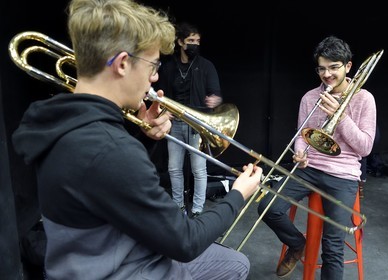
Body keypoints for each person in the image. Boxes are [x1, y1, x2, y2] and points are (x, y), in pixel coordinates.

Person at [11, 0, 263, 279]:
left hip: (85, 257)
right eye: (153, 65)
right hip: (123, 268)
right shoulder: (111, 149)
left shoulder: (57, 123)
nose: (154, 77)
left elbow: (107, 184)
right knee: (236, 264)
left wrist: (142, 137)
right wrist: (238, 194)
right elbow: (186, 242)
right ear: (121, 64)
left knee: (230, 261)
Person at [258, 35, 377, 279]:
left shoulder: (364, 98)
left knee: (332, 247)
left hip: (343, 174)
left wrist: (341, 117)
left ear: (348, 66)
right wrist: (300, 150)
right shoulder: (310, 97)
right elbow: (302, 134)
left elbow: (365, 148)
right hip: (310, 167)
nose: (327, 75)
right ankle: (297, 244)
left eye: (334, 68)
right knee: (268, 207)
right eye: (322, 68)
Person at [155, 22, 223, 217]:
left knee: (198, 170)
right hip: (174, 123)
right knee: (174, 168)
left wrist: (215, 100)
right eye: (190, 41)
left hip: (197, 125)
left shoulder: (206, 66)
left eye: (197, 41)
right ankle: (179, 207)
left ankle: (198, 209)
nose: (195, 44)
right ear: (180, 42)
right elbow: (160, 96)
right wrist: (164, 113)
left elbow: (216, 94)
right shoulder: (168, 67)